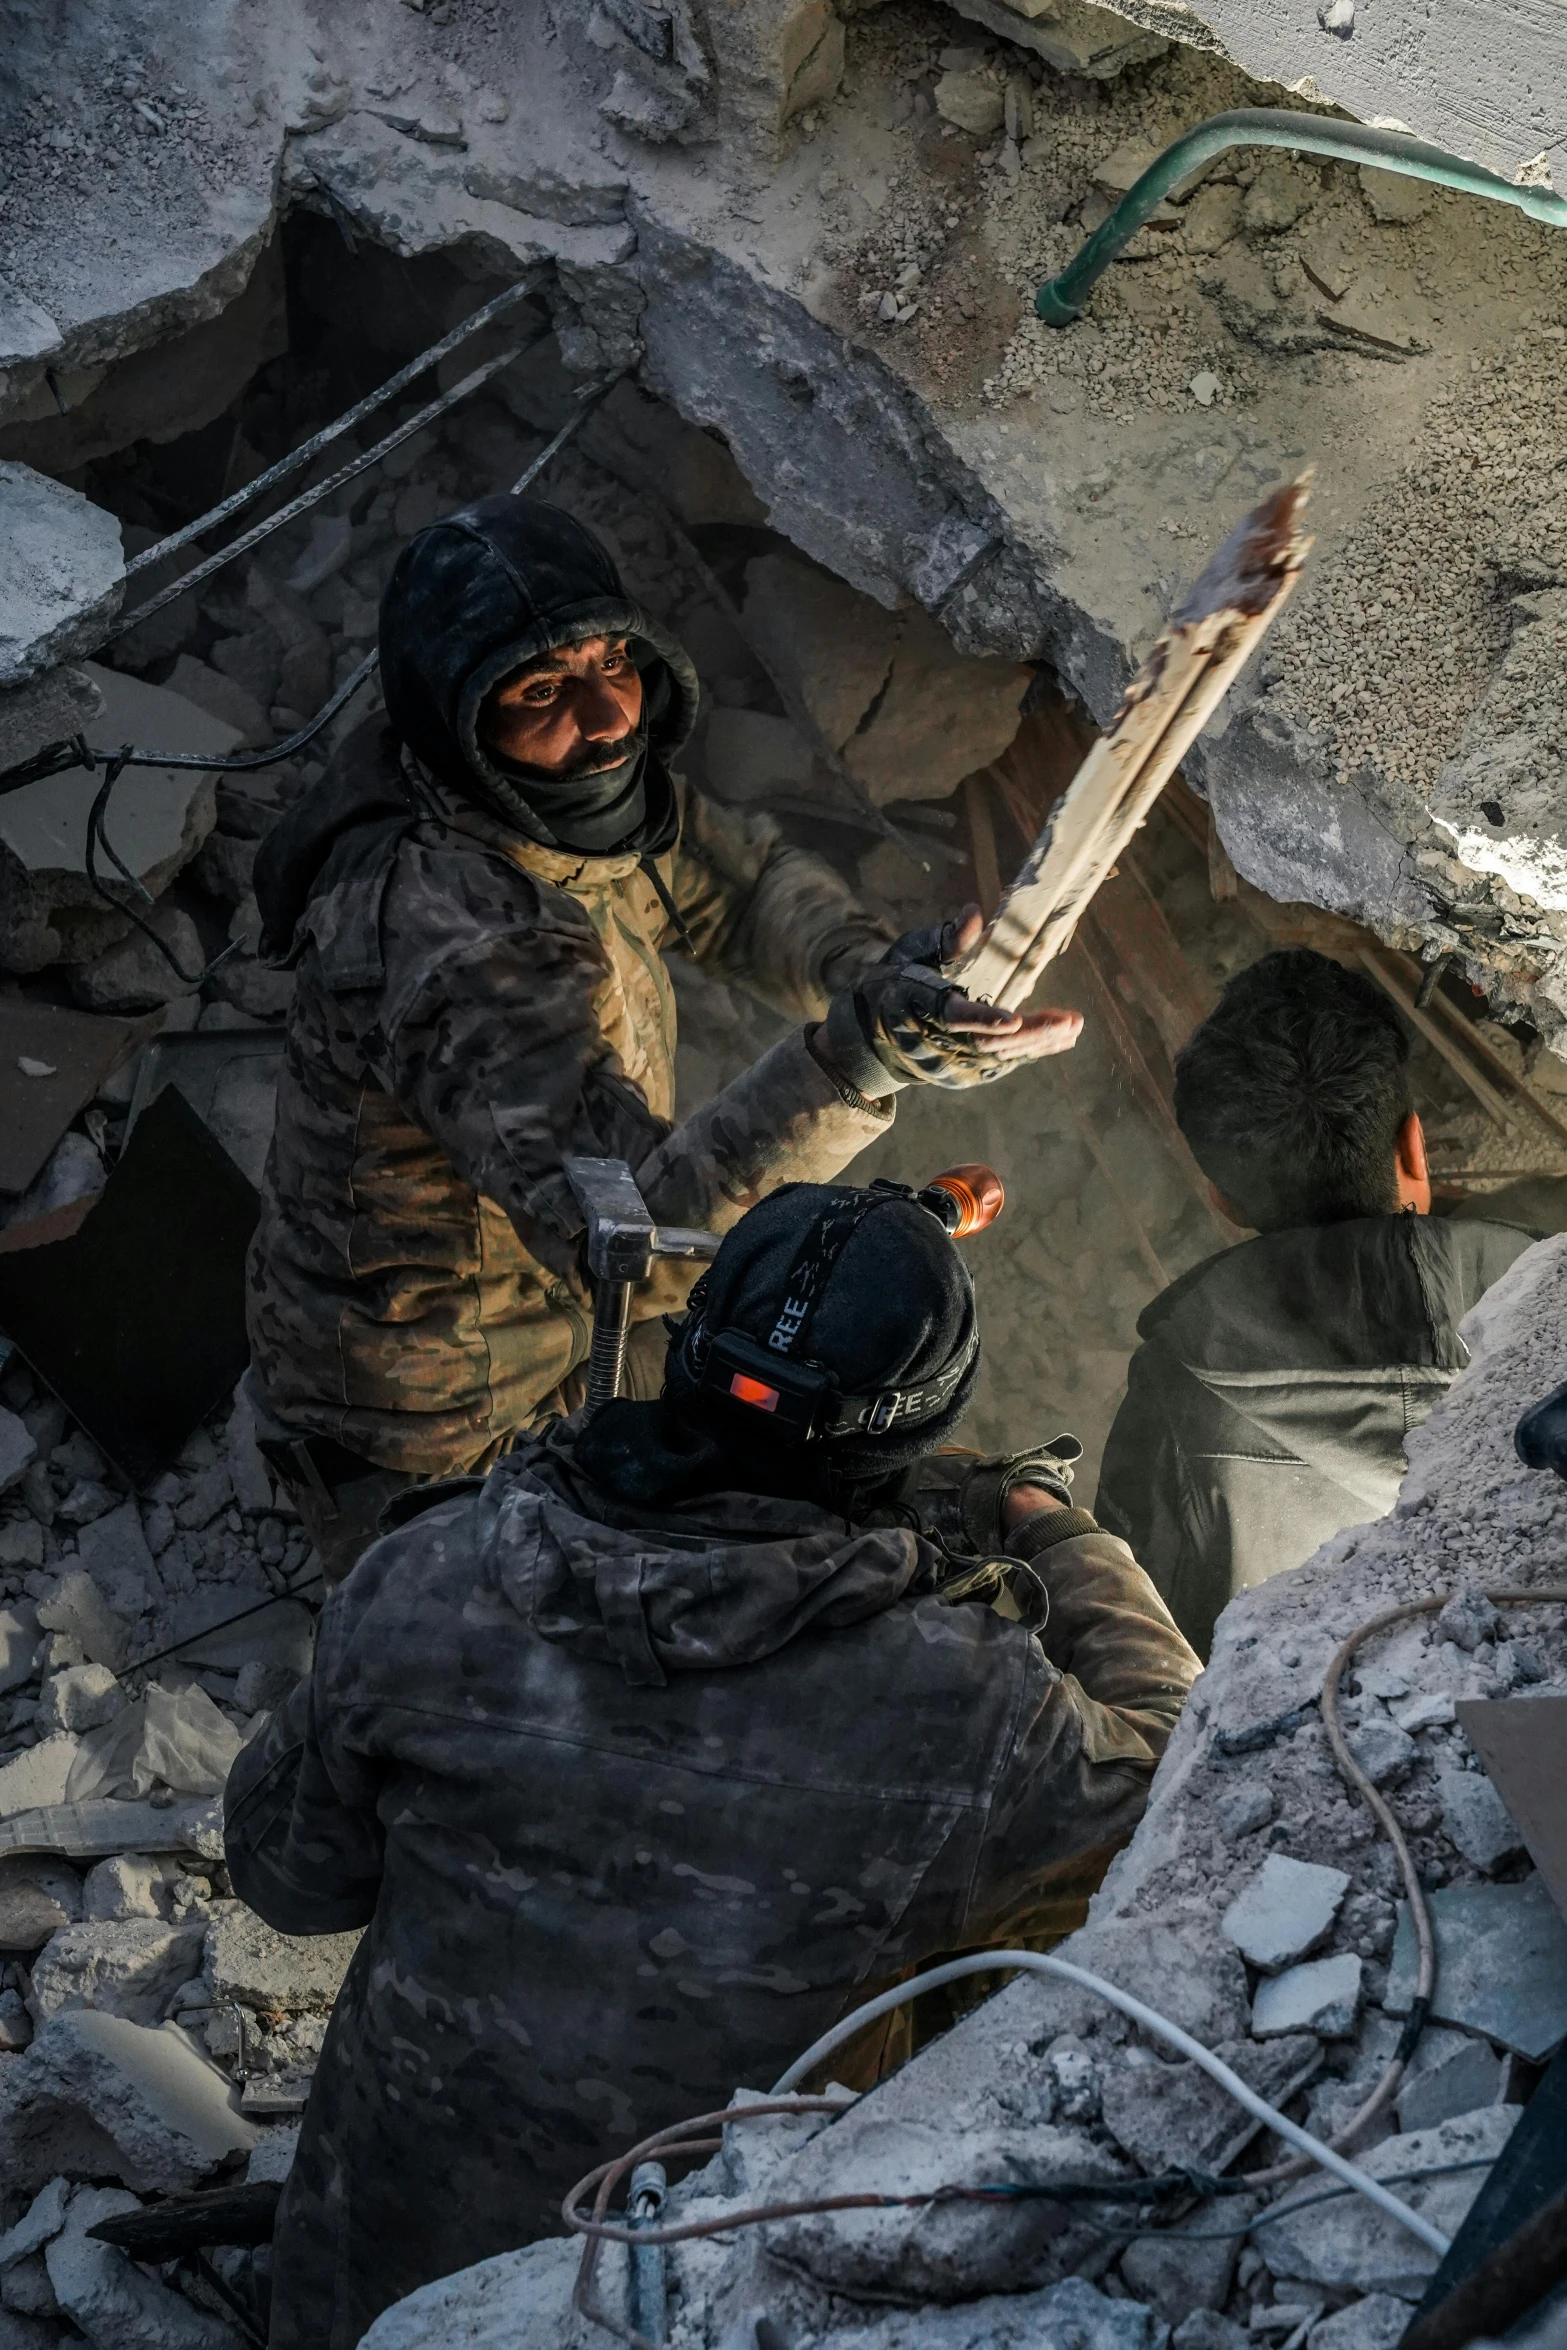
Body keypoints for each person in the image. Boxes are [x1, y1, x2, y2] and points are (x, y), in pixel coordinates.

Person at [226, 1177, 1200, 2350]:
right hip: (655, 2310)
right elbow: (1190, 1763)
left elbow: (287, 1877)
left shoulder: (429, 1574)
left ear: (684, 1361)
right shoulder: (968, 1711)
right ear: (917, 1437)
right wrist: (1049, 1519)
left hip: (358, 2302)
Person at [245, 496, 1080, 1579]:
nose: (606, 718)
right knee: (793, 1503)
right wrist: (856, 1058)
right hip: (453, 1415)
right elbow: (636, 1242)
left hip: (545, 1315)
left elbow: (734, 889)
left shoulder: (557, 795)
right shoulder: (460, 947)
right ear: (459, 721)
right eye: (543, 689)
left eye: (611, 664)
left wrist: (867, 969)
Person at [1095, 948, 1535, 1658]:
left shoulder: (1173, 1398)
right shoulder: (1549, 1302)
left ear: (1224, 1201)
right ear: (1413, 1147)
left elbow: (1146, 1659)